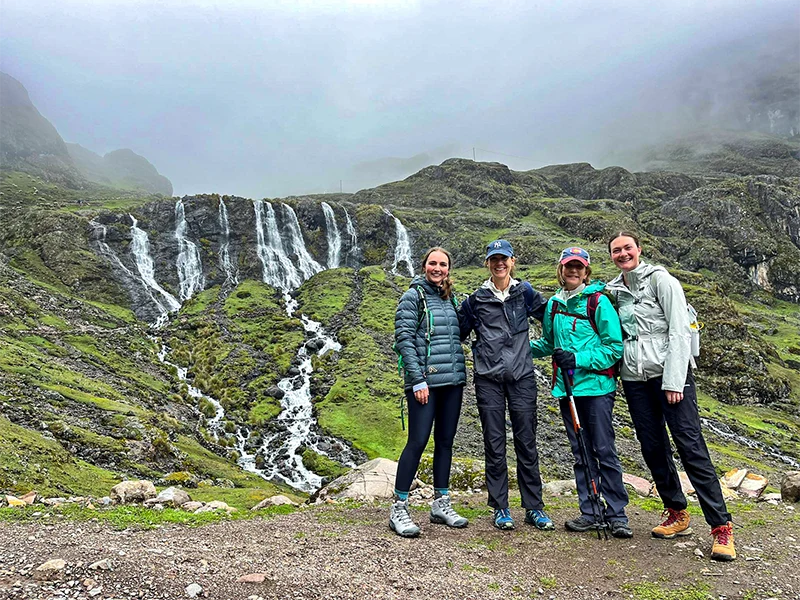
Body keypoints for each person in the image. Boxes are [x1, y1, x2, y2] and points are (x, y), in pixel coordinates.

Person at [605, 232, 735, 561]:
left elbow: (679, 330)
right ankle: (676, 511)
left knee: (690, 445)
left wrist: (675, 380)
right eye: (616, 250)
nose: (623, 254)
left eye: (627, 248)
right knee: (652, 446)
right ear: (611, 256)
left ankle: (721, 527)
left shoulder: (662, 280)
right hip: (635, 378)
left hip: (669, 375)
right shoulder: (614, 290)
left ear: (639, 250)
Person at [530, 247, 632, 538]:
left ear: (586, 272)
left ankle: (617, 514)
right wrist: (513, 349)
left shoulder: (598, 302)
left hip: (597, 388)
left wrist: (578, 359)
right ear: (560, 270)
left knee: (604, 449)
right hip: (568, 388)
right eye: (568, 267)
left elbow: (614, 347)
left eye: (579, 267)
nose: (573, 272)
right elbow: (548, 344)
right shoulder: (553, 305)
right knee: (581, 452)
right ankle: (590, 511)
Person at [458, 239, 554, 531]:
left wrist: (545, 348)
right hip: (488, 380)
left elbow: (550, 317)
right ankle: (500, 507)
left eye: (504, 258)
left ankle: (534, 507)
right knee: (494, 442)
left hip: (522, 377)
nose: (499, 263)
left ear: (513, 261)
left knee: (527, 441)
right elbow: (457, 333)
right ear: (487, 264)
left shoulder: (524, 293)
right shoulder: (475, 300)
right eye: (493, 259)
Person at [390, 247, 468, 537]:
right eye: (433, 263)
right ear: (424, 266)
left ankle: (441, 502)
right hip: (425, 383)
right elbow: (404, 339)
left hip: (453, 381)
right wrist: (418, 379)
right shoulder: (413, 296)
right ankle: (398, 506)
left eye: (443, 264)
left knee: (445, 442)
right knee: (418, 441)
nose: (438, 268)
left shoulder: (450, 299)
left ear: (449, 268)